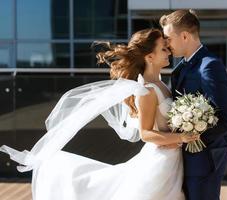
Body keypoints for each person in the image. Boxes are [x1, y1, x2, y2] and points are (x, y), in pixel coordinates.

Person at [0, 28, 199, 200]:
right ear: (149, 57)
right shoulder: (146, 91)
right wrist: (181, 136)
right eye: (163, 49)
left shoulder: (162, 84)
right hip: (159, 162)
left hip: (172, 158)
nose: (168, 52)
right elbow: (146, 134)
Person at [160, 10, 227, 200]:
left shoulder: (209, 66)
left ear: (184, 36)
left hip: (205, 160)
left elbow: (226, 120)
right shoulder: (180, 68)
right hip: (182, 159)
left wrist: (186, 136)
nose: (166, 45)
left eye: (168, 38)